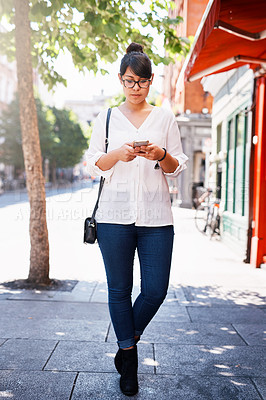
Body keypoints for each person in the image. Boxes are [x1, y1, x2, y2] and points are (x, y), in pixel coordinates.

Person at [87, 42, 188, 396]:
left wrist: (160, 154)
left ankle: (124, 341)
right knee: (119, 290)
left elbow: (176, 168)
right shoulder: (107, 118)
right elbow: (93, 163)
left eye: (142, 81)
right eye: (129, 81)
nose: (135, 87)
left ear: (150, 82)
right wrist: (119, 154)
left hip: (157, 218)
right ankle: (129, 361)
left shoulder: (164, 118)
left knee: (156, 290)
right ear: (120, 80)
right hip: (114, 217)